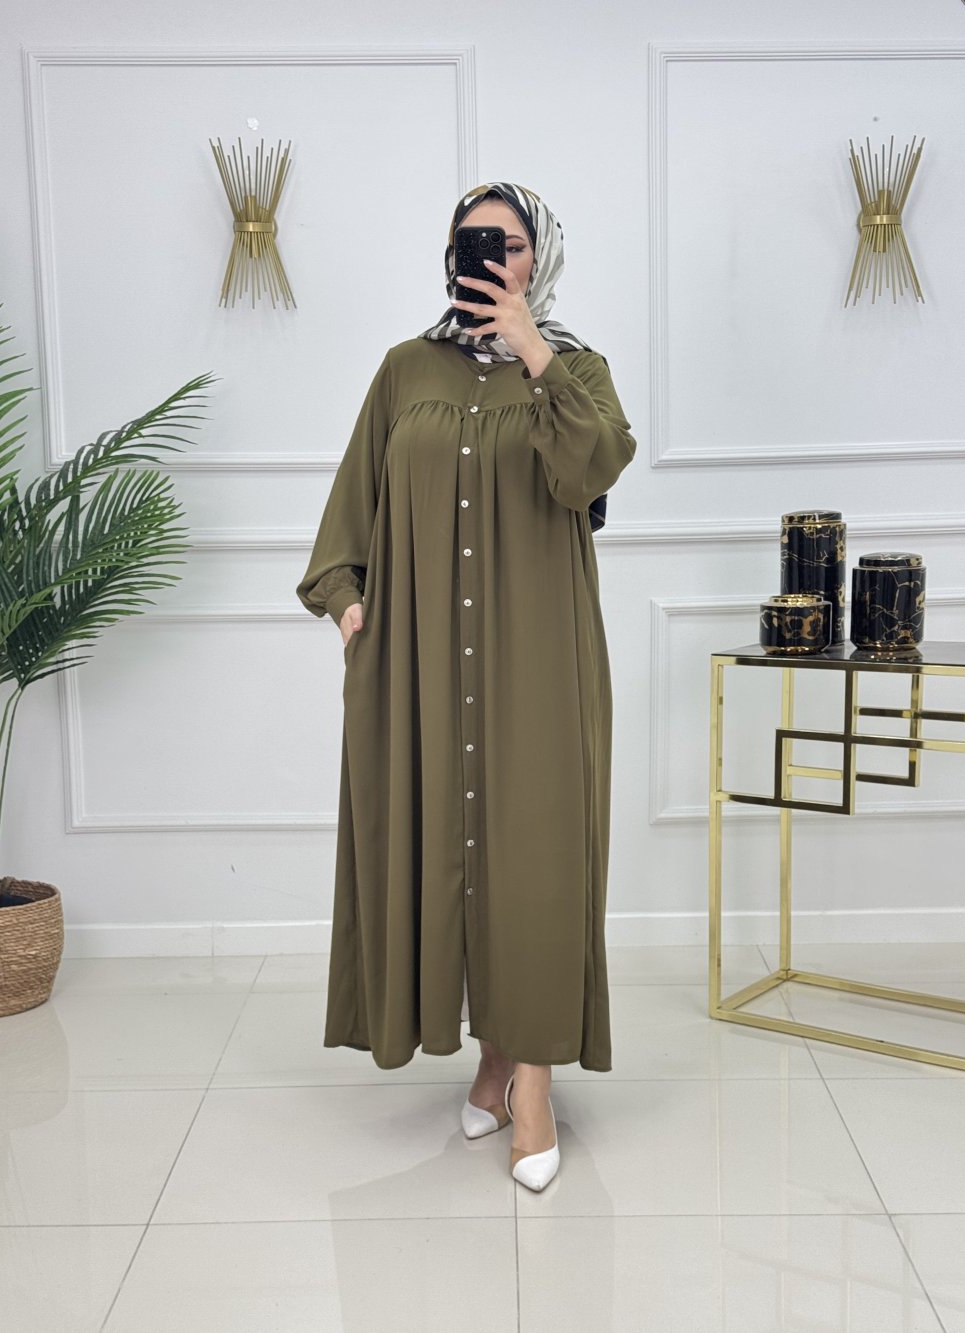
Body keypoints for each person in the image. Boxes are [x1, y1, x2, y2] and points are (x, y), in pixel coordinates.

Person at [296, 181, 636, 1191]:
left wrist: (532, 348)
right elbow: (350, 506)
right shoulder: (405, 369)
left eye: (509, 239)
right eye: (470, 238)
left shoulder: (576, 369)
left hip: (540, 658)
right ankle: (494, 1062)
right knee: (444, 846)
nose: (488, 252)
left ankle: (531, 1080)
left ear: (539, 257)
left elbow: (590, 470)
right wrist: (349, 605)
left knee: (534, 860)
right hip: (418, 664)